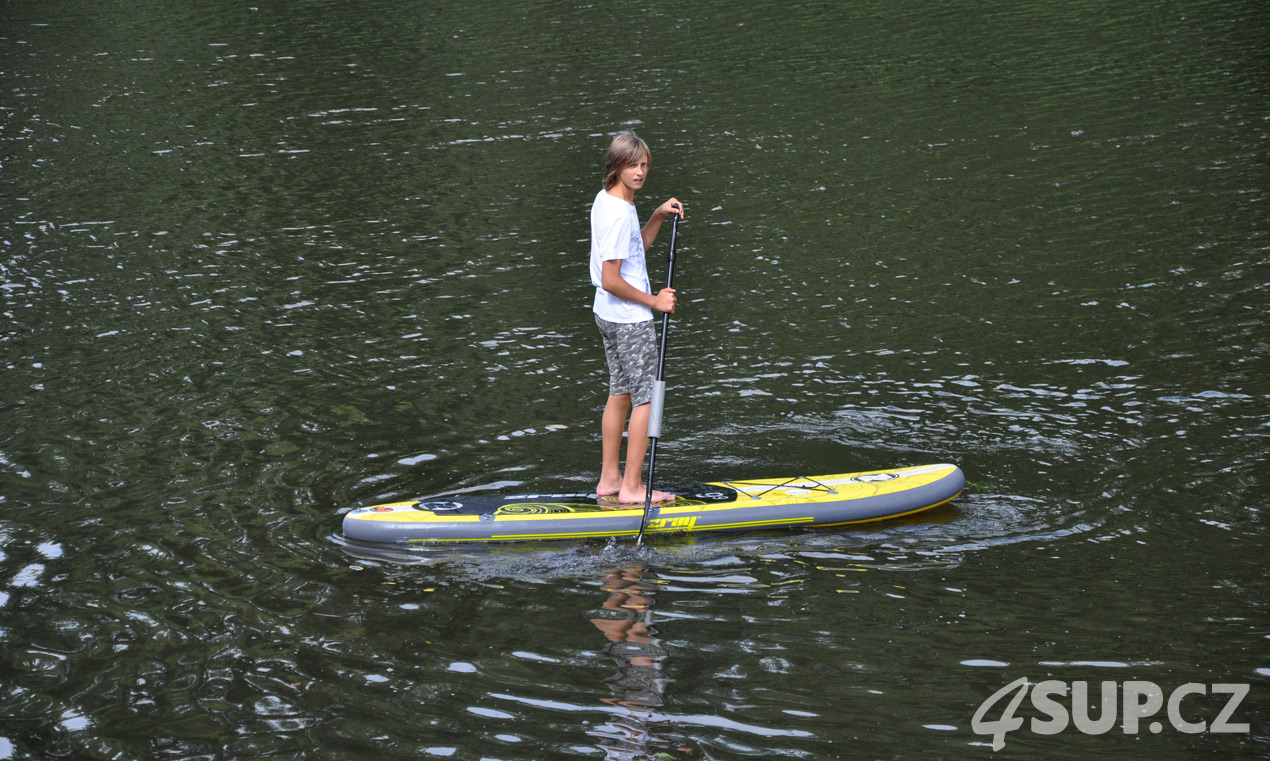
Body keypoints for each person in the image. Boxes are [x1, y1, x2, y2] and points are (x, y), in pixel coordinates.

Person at [589, 131, 683, 504]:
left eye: (644, 165)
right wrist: (654, 301)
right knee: (645, 399)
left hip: (607, 315)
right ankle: (631, 488)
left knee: (621, 393)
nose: (640, 172)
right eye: (632, 165)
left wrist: (657, 215)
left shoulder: (611, 201)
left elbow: (633, 251)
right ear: (616, 167)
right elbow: (612, 279)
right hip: (628, 320)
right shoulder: (616, 212)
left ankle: (609, 480)